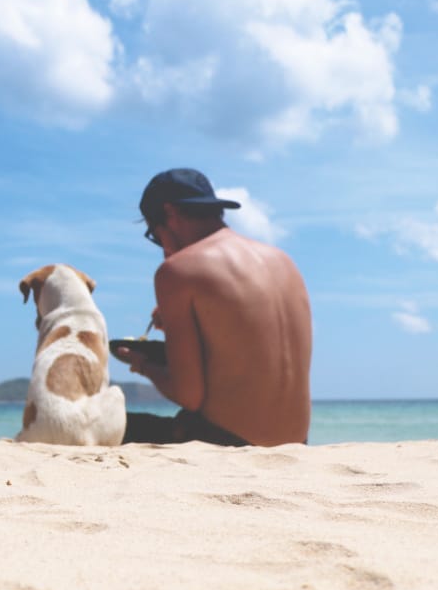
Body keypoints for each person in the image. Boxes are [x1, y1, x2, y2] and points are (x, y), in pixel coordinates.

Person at [113, 168, 311, 446]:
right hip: (297, 444)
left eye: (154, 235)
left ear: (169, 215)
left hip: (230, 443)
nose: (162, 248)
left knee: (107, 424)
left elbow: (190, 396)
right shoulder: (284, 261)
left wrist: (142, 364)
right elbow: (246, 357)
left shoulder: (177, 270)